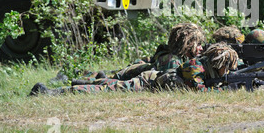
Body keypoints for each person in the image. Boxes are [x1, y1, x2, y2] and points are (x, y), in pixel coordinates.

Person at [29, 22, 205, 96]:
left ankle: (73, 80)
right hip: (133, 81)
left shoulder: (168, 54)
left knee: (104, 82)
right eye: (197, 44)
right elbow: (169, 82)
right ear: (187, 43)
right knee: (104, 85)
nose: (200, 48)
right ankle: (53, 90)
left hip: (132, 78)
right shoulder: (172, 60)